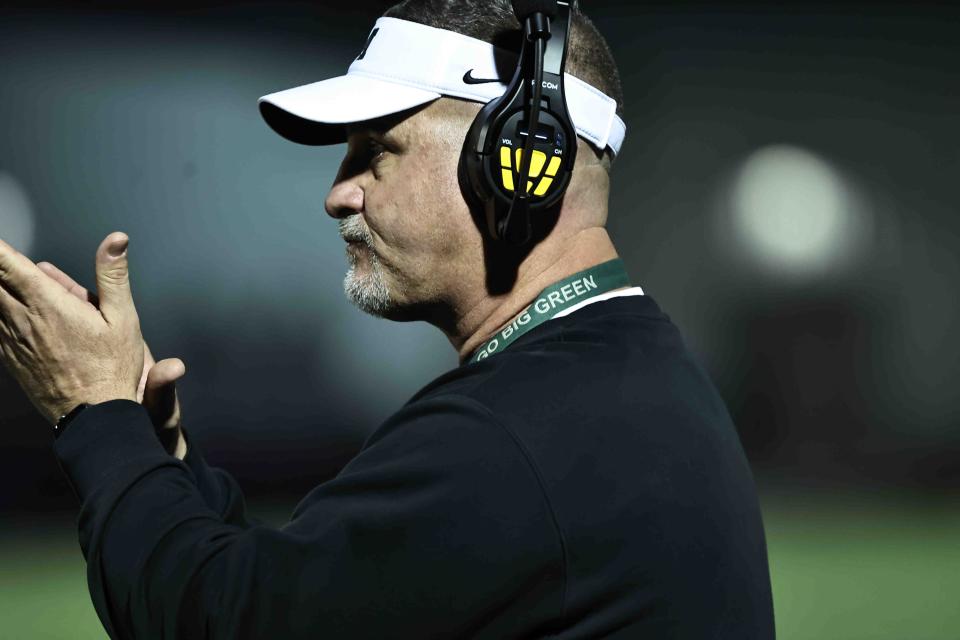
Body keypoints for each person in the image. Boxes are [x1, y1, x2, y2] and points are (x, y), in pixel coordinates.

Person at [0, 0, 775, 637]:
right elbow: (281, 592)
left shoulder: (509, 438)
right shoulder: (622, 376)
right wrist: (163, 460)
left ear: (518, 155)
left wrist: (93, 414)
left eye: (376, 150)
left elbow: (218, 625)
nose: (338, 193)